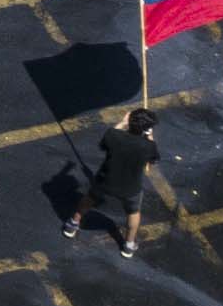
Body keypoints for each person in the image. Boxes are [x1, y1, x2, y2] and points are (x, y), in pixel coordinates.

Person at [67, 106, 156, 255]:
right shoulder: (148, 147)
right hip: (130, 188)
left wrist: (122, 123)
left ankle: (72, 224)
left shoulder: (113, 135)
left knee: (90, 199)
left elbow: (105, 142)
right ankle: (129, 244)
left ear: (129, 122)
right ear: (145, 129)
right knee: (133, 212)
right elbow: (152, 159)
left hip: (105, 181)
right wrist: (149, 135)